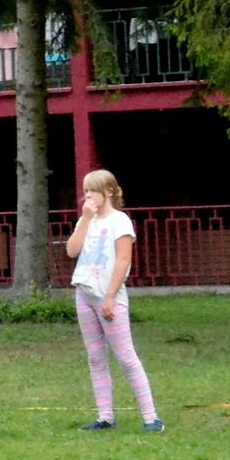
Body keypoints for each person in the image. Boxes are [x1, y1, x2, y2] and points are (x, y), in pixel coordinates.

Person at [66, 169, 162, 433]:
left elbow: (123, 260)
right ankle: (105, 416)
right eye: (84, 192)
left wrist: (109, 296)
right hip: (84, 292)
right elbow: (72, 250)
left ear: (108, 192)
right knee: (96, 357)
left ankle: (151, 418)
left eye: (91, 190)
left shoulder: (120, 221)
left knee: (126, 357)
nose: (86, 196)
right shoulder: (87, 220)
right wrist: (85, 220)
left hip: (109, 297)